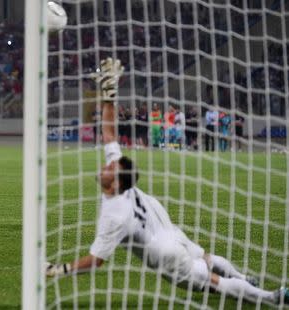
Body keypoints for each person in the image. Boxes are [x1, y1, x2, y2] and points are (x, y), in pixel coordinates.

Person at [45, 58, 289, 306]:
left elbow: (95, 260)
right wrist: (109, 94)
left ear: (116, 183)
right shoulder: (122, 183)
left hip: (165, 254)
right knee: (208, 258)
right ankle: (245, 277)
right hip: (170, 232)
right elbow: (109, 133)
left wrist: (58, 269)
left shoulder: (113, 215)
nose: (105, 165)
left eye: (109, 167)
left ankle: (271, 298)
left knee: (215, 282)